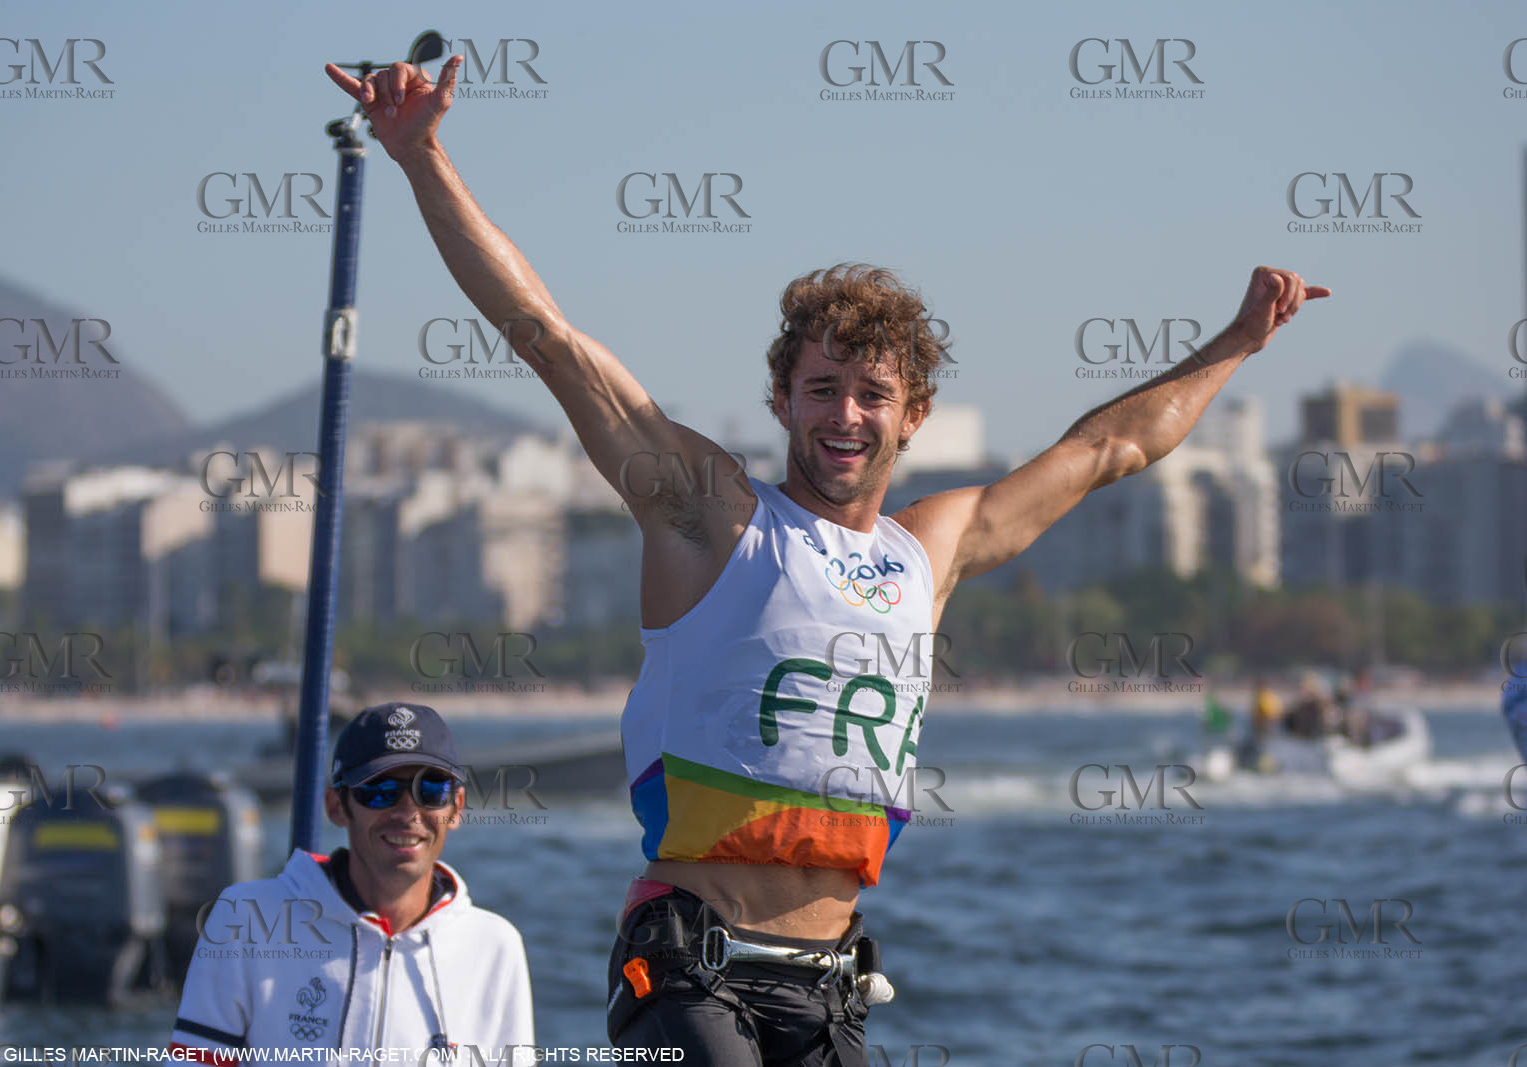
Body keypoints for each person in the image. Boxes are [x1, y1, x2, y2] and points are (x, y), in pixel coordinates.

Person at [323, 56, 1328, 1066]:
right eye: (821, 388)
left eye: (870, 393)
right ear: (782, 401)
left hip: (831, 984)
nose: (844, 415)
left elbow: (1112, 448)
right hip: (688, 968)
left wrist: (1236, 341)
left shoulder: (929, 551)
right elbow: (548, 338)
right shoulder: (706, 516)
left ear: (913, 415)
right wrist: (421, 156)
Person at [166, 703, 534, 1065]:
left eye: (430, 789)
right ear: (336, 806)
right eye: (380, 790)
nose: (407, 812)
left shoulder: (496, 947)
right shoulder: (245, 920)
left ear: (456, 807)